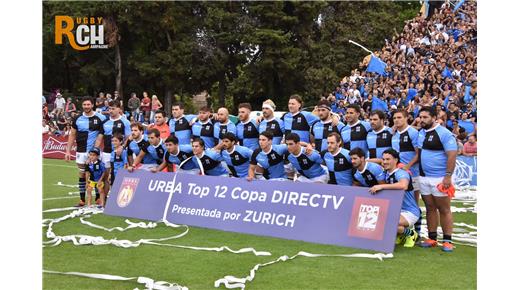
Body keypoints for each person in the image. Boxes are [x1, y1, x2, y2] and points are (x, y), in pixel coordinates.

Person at [417, 106, 457, 252]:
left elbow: (452, 155)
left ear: (434, 117)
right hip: (424, 177)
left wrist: (448, 176)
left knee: (444, 209)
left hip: (440, 178)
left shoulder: (444, 133)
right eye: (420, 117)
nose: (422, 120)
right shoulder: (421, 133)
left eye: (425, 117)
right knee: (429, 208)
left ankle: (447, 240)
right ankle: (432, 238)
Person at [369, 149, 421, 248]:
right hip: (396, 210)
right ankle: (401, 234)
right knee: (377, 220)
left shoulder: (401, 173)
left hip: (409, 211)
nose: (384, 162)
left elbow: (403, 185)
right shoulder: (387, 173)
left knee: (387, 222)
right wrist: (364, 161)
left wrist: (381, 186)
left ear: (396, 160)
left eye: (388, 159)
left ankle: (411, 234)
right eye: (383, 159)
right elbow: (377, 161)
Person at [65, 97, 106, 207]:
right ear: (82, 106)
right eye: (84, 104)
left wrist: (93, 153)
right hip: (81, 151)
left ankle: (98, 198)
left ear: (92, 105)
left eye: (88, 104)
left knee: (97, 173)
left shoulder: (101, 118)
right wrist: (68, 151)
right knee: (82, 174)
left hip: (95, 152)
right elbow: (72, 134)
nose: (86, 106)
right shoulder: (77, 118)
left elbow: (100, 137)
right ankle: (82, 200)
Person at [391, 109, 422, 234]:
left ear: (406, 118)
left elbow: (418, 154)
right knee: (401, 203)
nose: (396, 120)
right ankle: (406, 231)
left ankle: (417, 232)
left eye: (399, 117)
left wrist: (408, 166)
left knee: (414, 203)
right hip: (398, 174)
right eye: (394, 118)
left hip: (412, 174)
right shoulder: (394, 134)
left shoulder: (413, 133)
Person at [101, 101, 131, 176]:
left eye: (113, 109)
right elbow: (100, 137)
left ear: (119, 109)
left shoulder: (125, 122)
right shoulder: (105, 121)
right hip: (107, 152)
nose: (111, 111)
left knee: (119, 175)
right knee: (106, 175)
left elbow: (129, 137)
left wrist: (122, 147)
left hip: (119, 153)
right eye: (109, 109)